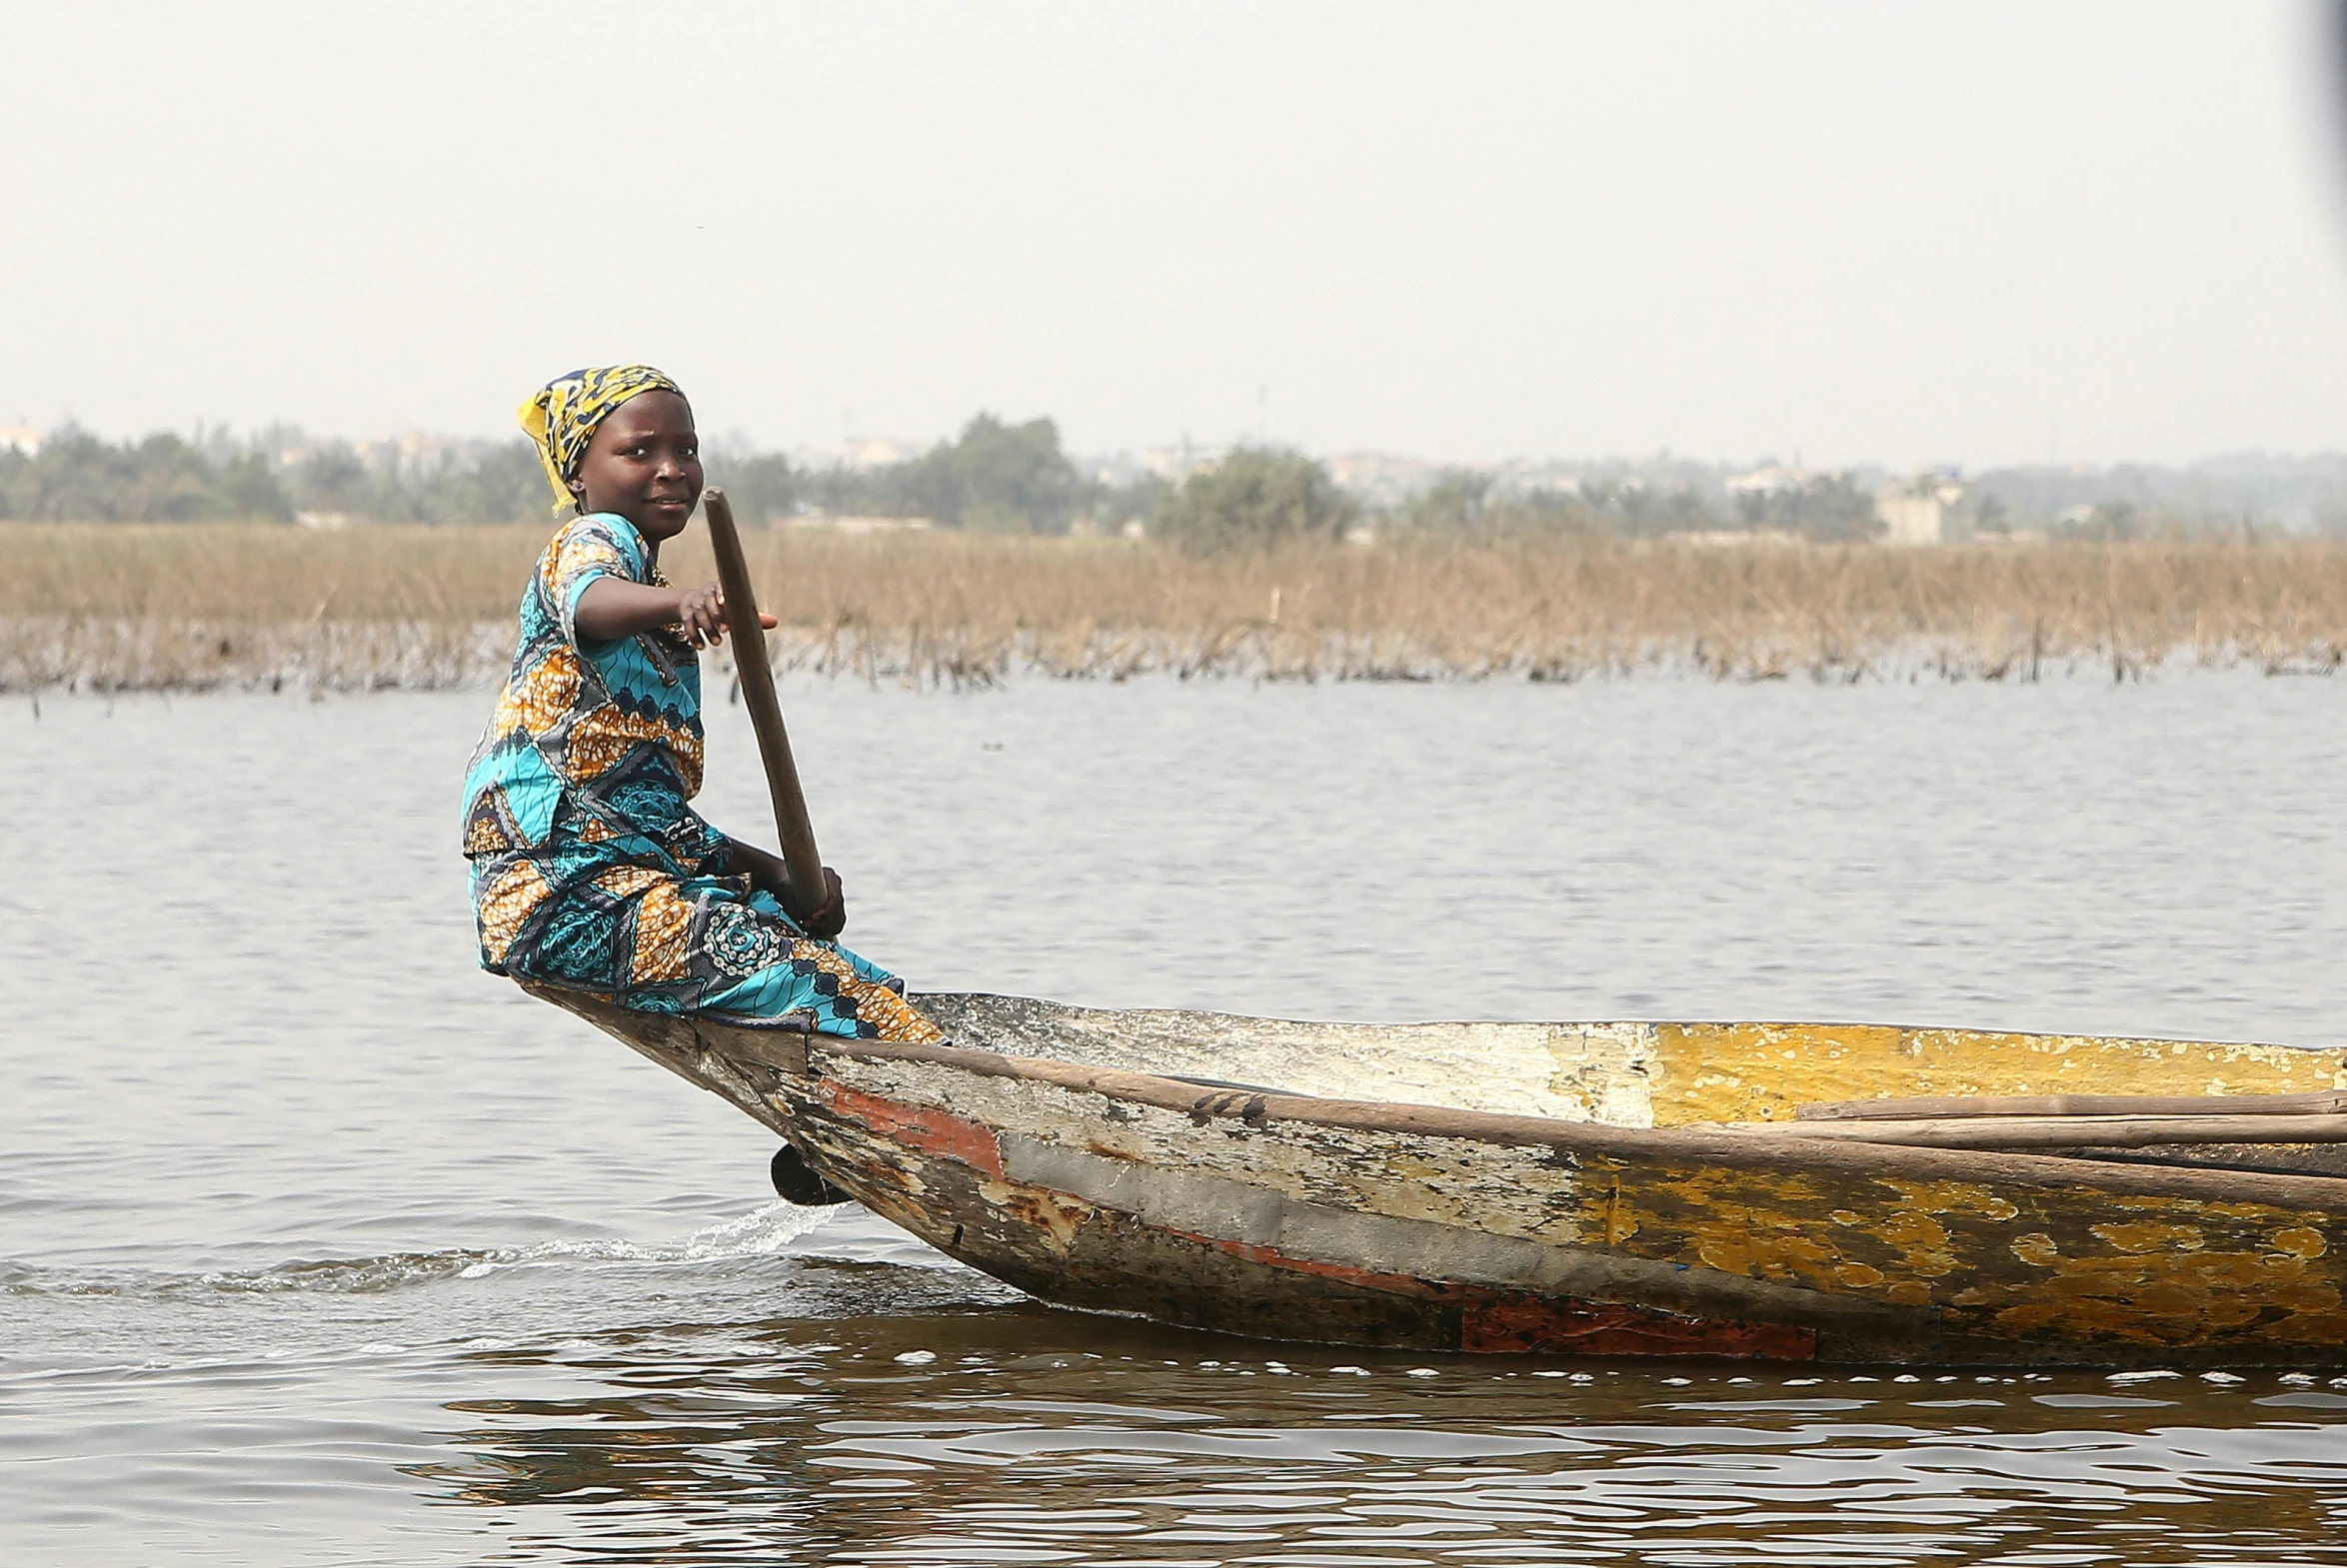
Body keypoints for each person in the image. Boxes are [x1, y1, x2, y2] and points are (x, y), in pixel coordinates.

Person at [461, 365, 942, 1042]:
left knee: (839, 970)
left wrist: (781, 876)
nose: (670, 470)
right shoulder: (595, 541)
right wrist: (681, 600)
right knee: (822, 990)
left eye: (685, 450)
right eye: (638, 451)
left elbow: (649, 816)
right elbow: (586, 595)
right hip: (561, 899)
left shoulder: (647, 625)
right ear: (578, 476)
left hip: (613, 883)